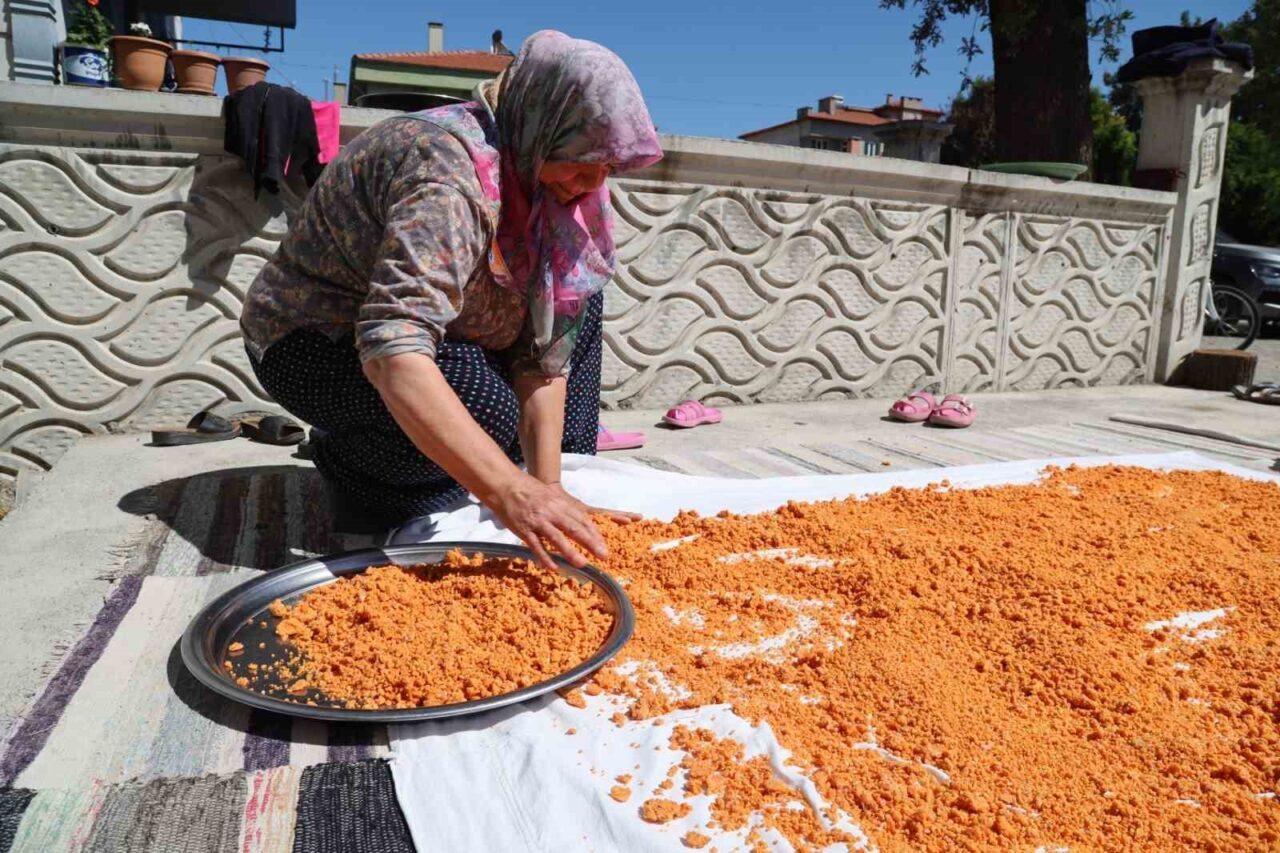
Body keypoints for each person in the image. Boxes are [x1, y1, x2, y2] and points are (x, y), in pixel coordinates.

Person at [240, 31, 662, 568]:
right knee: (483, 414)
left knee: (576, 298)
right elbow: (394, 345)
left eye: (608, 166)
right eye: (581, 160)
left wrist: (548, 487)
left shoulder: (551, 180)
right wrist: (507, 491)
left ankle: (500, 473)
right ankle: (350, 462)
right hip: (316, 341)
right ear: (540, 127)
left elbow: (543, 357)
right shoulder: (445, 169)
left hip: (451, 329)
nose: (593, 182)